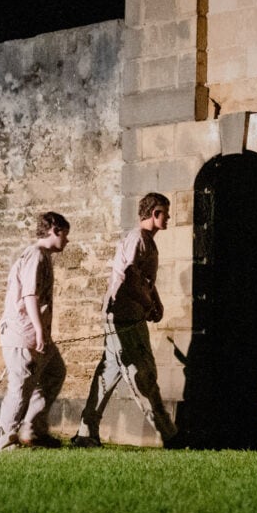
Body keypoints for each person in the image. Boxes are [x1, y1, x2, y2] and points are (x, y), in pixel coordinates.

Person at [71, 192, 179, 448]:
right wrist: (148, 303)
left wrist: (156, 303)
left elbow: (145, 281)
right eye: (165, 212)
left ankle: (86, 433)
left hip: (131, 316)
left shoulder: (147, 242)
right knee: (141, 373)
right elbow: (130, 276)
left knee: (108, 374)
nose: (169, 218)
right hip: (123, 318)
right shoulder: (137, 239)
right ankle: (169, 435)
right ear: (154, 214)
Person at [0, 212, 70, 452]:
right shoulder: (36, 256)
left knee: (54, 372)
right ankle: (4, 441)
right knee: (20, 387)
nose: (67, 241)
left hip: (32, 333)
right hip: (23, 334)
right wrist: (38, 331)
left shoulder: (42, 256)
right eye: (65, 235)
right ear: (54, 230)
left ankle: (33, 431)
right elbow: (29, 296)